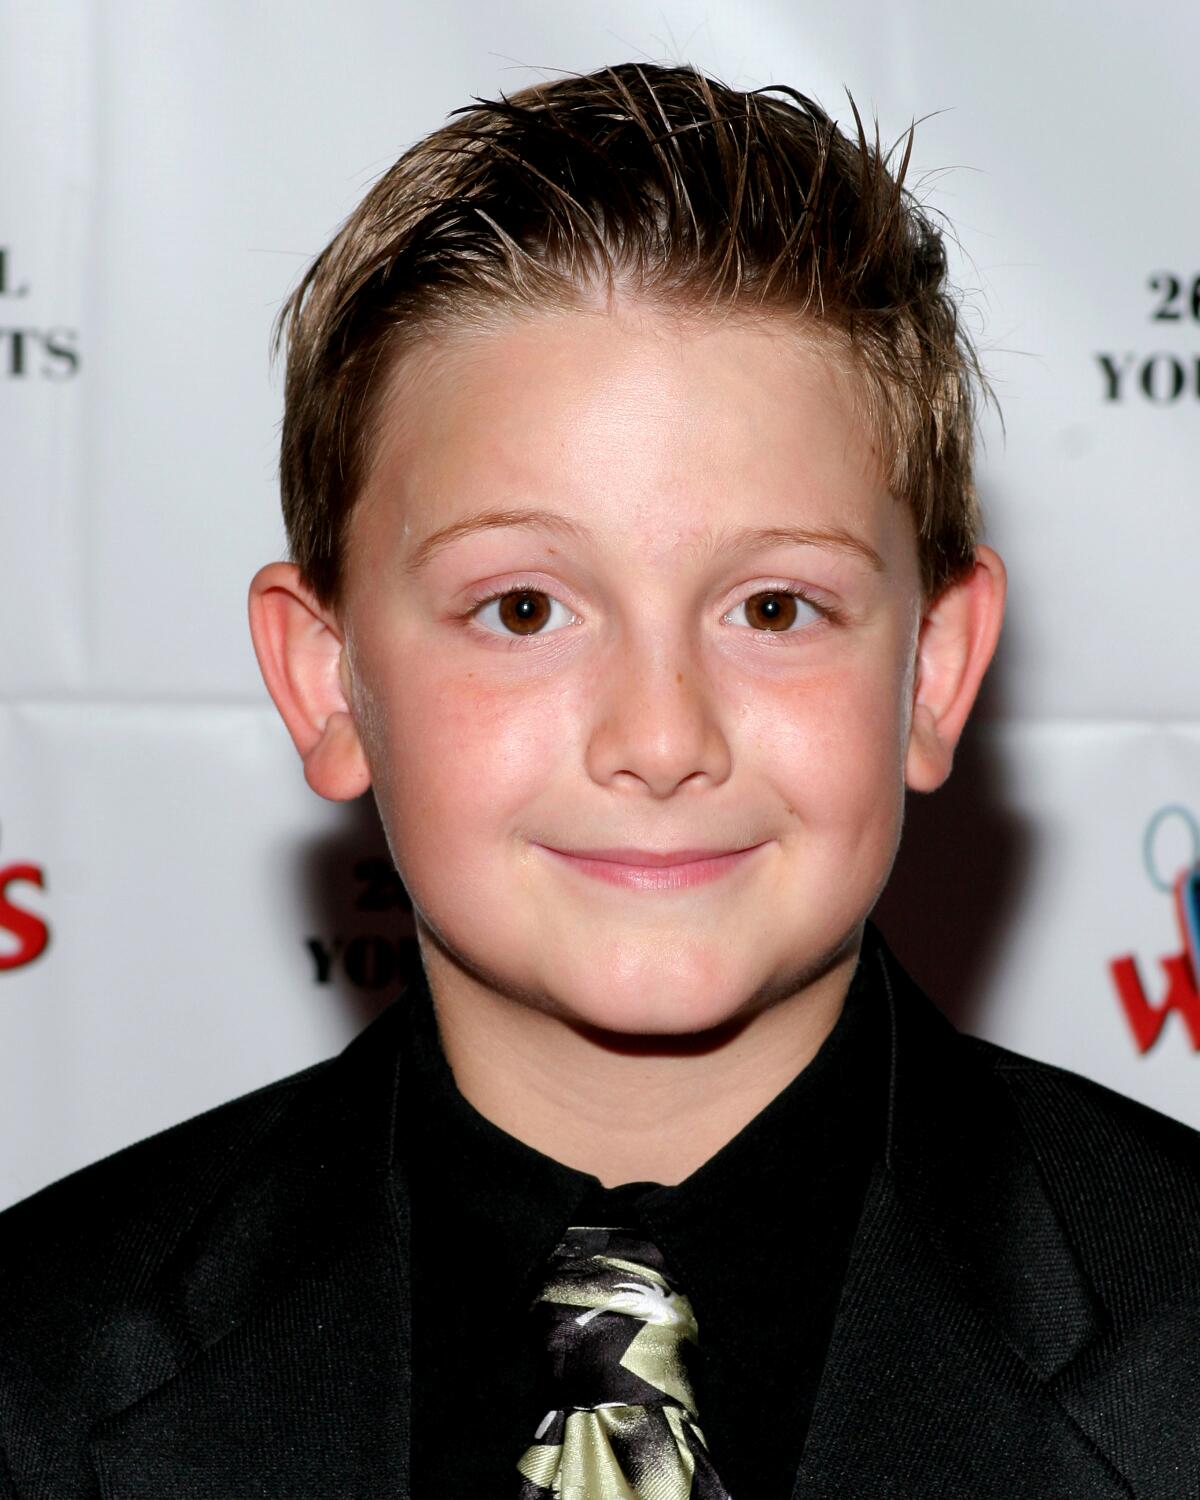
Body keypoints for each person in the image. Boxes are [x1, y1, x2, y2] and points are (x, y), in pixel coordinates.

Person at [2, 62, 1198, 1500]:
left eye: (772, 609)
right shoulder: (39, 1369)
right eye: (522, 609)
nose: (658, 735)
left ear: (934, 670)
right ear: (326, 681)